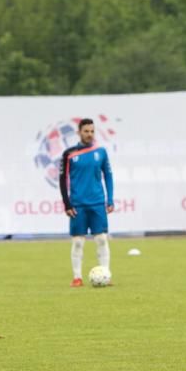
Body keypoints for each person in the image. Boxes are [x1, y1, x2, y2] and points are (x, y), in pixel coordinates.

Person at [59, 118, 114, 287]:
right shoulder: (69, 154)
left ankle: (105, 275)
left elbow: (108, 176)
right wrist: (67, 204)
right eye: (86, 131)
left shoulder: (101, 152)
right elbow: (62, 179)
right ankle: (77, 278)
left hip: (97, 203)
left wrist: (110, 199)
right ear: (79, 132)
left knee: (102, 239)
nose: (89, 134)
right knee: (77, 241)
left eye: (92, 131)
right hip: (78, 204)